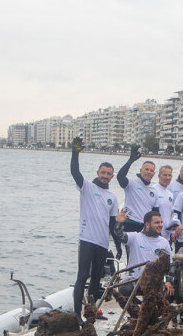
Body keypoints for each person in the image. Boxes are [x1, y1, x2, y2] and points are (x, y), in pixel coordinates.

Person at [69, 137, 118, 320]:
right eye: (103, 172)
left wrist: (119, 246)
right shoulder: (87, 187)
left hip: (102, 242)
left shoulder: (112, 196)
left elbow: (112, 224)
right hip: (87, 239)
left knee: (97, 278)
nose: (105, 176)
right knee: (82, 276)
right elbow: (75, 172)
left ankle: (93, 310)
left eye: (108, 174)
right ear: (98, 172)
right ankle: (76, 314)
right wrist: (75, 153)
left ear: (112, 176)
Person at [115, 209, 173, 294]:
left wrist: (168, 281)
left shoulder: (164, 242)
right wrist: (118, 222)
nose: (160, 225)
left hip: (154, 281)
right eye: (157, 223)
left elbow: (170, 265)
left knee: (167, 293)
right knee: (124, 290)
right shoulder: (135, 237)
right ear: (147, 225)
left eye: (161, 222)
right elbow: (119, 234)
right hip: (134, 280)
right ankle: (135, 307)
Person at [116, 147, 157, 232]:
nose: (149, 172)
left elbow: (155, 212)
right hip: (130, 223)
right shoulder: (131, 183)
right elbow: (120, 176)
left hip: (145, 227)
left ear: (154, 174)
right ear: (141, 170)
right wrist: (130, 161)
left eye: (151, 170)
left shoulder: (154, 190)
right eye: (146, 169)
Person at [153, 165, 176, 242]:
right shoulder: (153, 190)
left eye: (169, 175)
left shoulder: (170, 194)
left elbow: (170, 213)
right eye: (165, 175)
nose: (167, 178)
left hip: (167, 235)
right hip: (155, 234)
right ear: (159, 176)